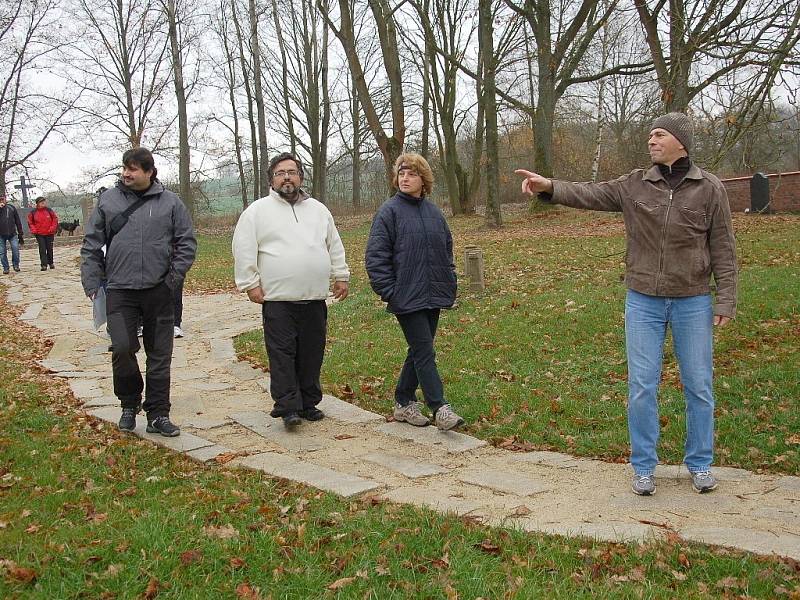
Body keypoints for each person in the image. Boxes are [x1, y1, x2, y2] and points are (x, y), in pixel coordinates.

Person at [516, 112, 737, 496]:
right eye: (650, 135)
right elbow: (591, 192)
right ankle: (643, 467)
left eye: (659, 135)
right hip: (643, 302)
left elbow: (723, 248)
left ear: (680, 143)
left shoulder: (710, 188)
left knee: (699, 386)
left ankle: (700, 463)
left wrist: (726, 299)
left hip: (693, 300)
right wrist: (548, 185)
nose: (651, 141)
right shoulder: (635, 184)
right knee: (641, 386)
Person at [80, 148, 197, 437]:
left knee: (160, 355)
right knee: (122, 348)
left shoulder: (171, 203)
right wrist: (92, 282)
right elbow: (91, 244)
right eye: (124, 168)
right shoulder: (108, 200)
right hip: (120, 291)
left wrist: (173, 278)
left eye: (133, 169)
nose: (126, 173)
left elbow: (187, 242)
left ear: (149, 172)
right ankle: (129, 403)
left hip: (159, 291)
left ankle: (158, 413)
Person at [232, 152, 350, 430]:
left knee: (312, 352)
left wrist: (341, 275)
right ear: (271, 180)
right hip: (278, 300)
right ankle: (287, 407)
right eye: (280, 173)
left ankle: (308, 402)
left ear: (301, 177)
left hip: (313, 298)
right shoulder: (257, 212)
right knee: (282, 354)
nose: (287, 177)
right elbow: (244, 247)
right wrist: (250, 283)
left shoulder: (319, 210)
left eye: (292, 172)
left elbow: (334, 244)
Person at [365, 153, 465, 431]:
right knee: (424, 350)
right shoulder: (389, 212)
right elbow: (375, 257)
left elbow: (446, 250)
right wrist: (390, 292)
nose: (405, 178)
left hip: (433, 292)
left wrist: (450, 280)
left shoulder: (434, 213)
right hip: (405, 296)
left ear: (424, 179)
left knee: (420, 348)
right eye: (401, 173)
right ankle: (440, 407)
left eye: (411, 174)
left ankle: (403, 402)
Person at [27, 196, 58, 271]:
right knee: (42, 249)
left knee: (49, 248)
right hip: (39, 234)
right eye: (41, 202)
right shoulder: (33, 212)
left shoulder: (49, 210)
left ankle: (51, 262)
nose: (43, 203)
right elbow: (30, 222)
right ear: (37, 203)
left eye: (44, 201)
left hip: (49, 233)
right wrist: (34, 230)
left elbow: (55, 219)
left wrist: (52, 228)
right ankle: (43, 265)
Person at [0, 195, 24, 274]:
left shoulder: (11, 208)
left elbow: (17, 220)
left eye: (3, 199)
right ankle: (6, 267)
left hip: (12, 233)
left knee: (15, 249)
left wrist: (20, 232)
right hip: (1, 234)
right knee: (2, 252)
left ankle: (16, 265)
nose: (2, 200)